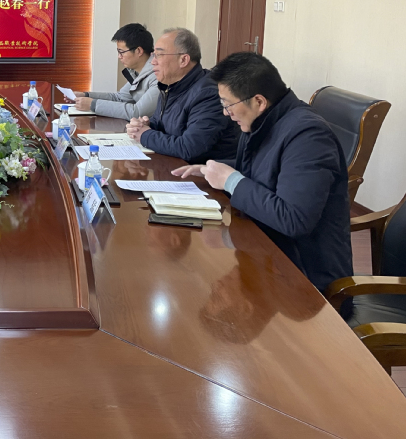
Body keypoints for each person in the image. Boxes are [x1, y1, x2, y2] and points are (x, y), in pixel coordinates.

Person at [172, 52, 352, 292]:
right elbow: (266, 168)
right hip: (266, 254)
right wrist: (210, 169)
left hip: (304, 281)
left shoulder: (309, 136)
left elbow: (294, 220)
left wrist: (231, 181)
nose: (225, 113)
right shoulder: (264, 120)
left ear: (259, 101)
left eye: (228, 104)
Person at [126, 28, 238, 163]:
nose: (152, 62)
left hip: (203, 172)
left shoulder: (208, 93)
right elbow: (163, 124)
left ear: (183, 60)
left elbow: (190, 148)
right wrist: (145, 125)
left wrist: (145, 135)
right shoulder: (169, 85)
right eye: (153, 55)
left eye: (159, 55)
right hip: (173, 166)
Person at [74, 23, 158, 120]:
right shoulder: (137, 72)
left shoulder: (158, 75)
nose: (119, 56)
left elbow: (137, 112)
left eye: (121, 52)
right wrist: (86, 95)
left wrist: (93, 104)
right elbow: (120, 98)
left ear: (138, 51)